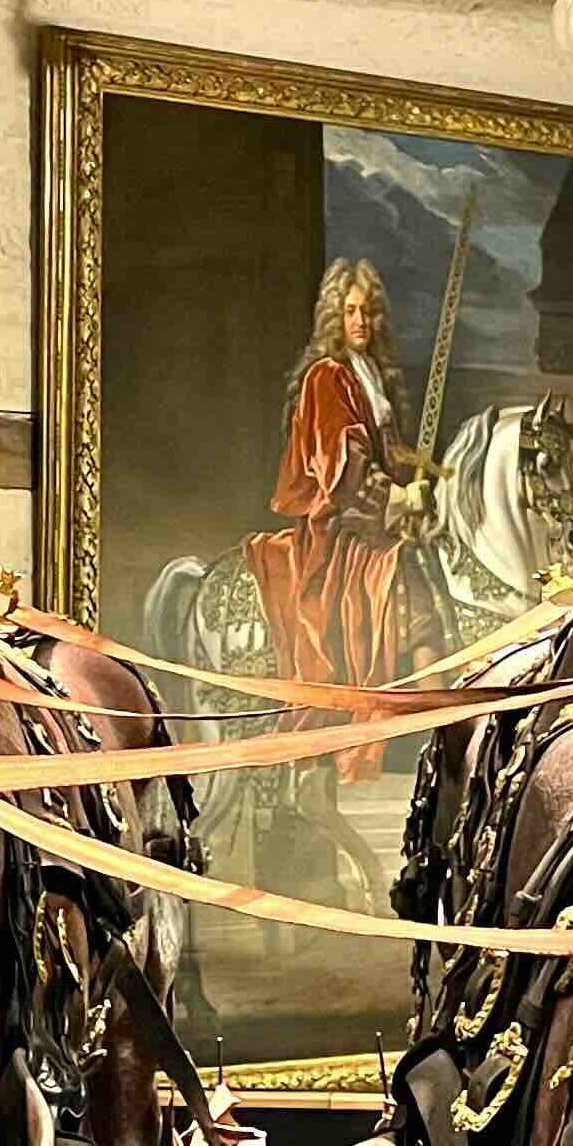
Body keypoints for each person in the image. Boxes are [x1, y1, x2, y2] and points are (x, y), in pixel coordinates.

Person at [244, 256, 429, 777]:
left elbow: (388, 450)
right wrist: (392, 498)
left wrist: (416, 479)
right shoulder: (329, 376)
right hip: (340, 523)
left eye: (368, 312)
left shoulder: (372, 374)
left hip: (376, 516)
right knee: (389, 597)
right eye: (350, 311)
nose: (360, 322)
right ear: (334, 316)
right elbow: (341, 459)